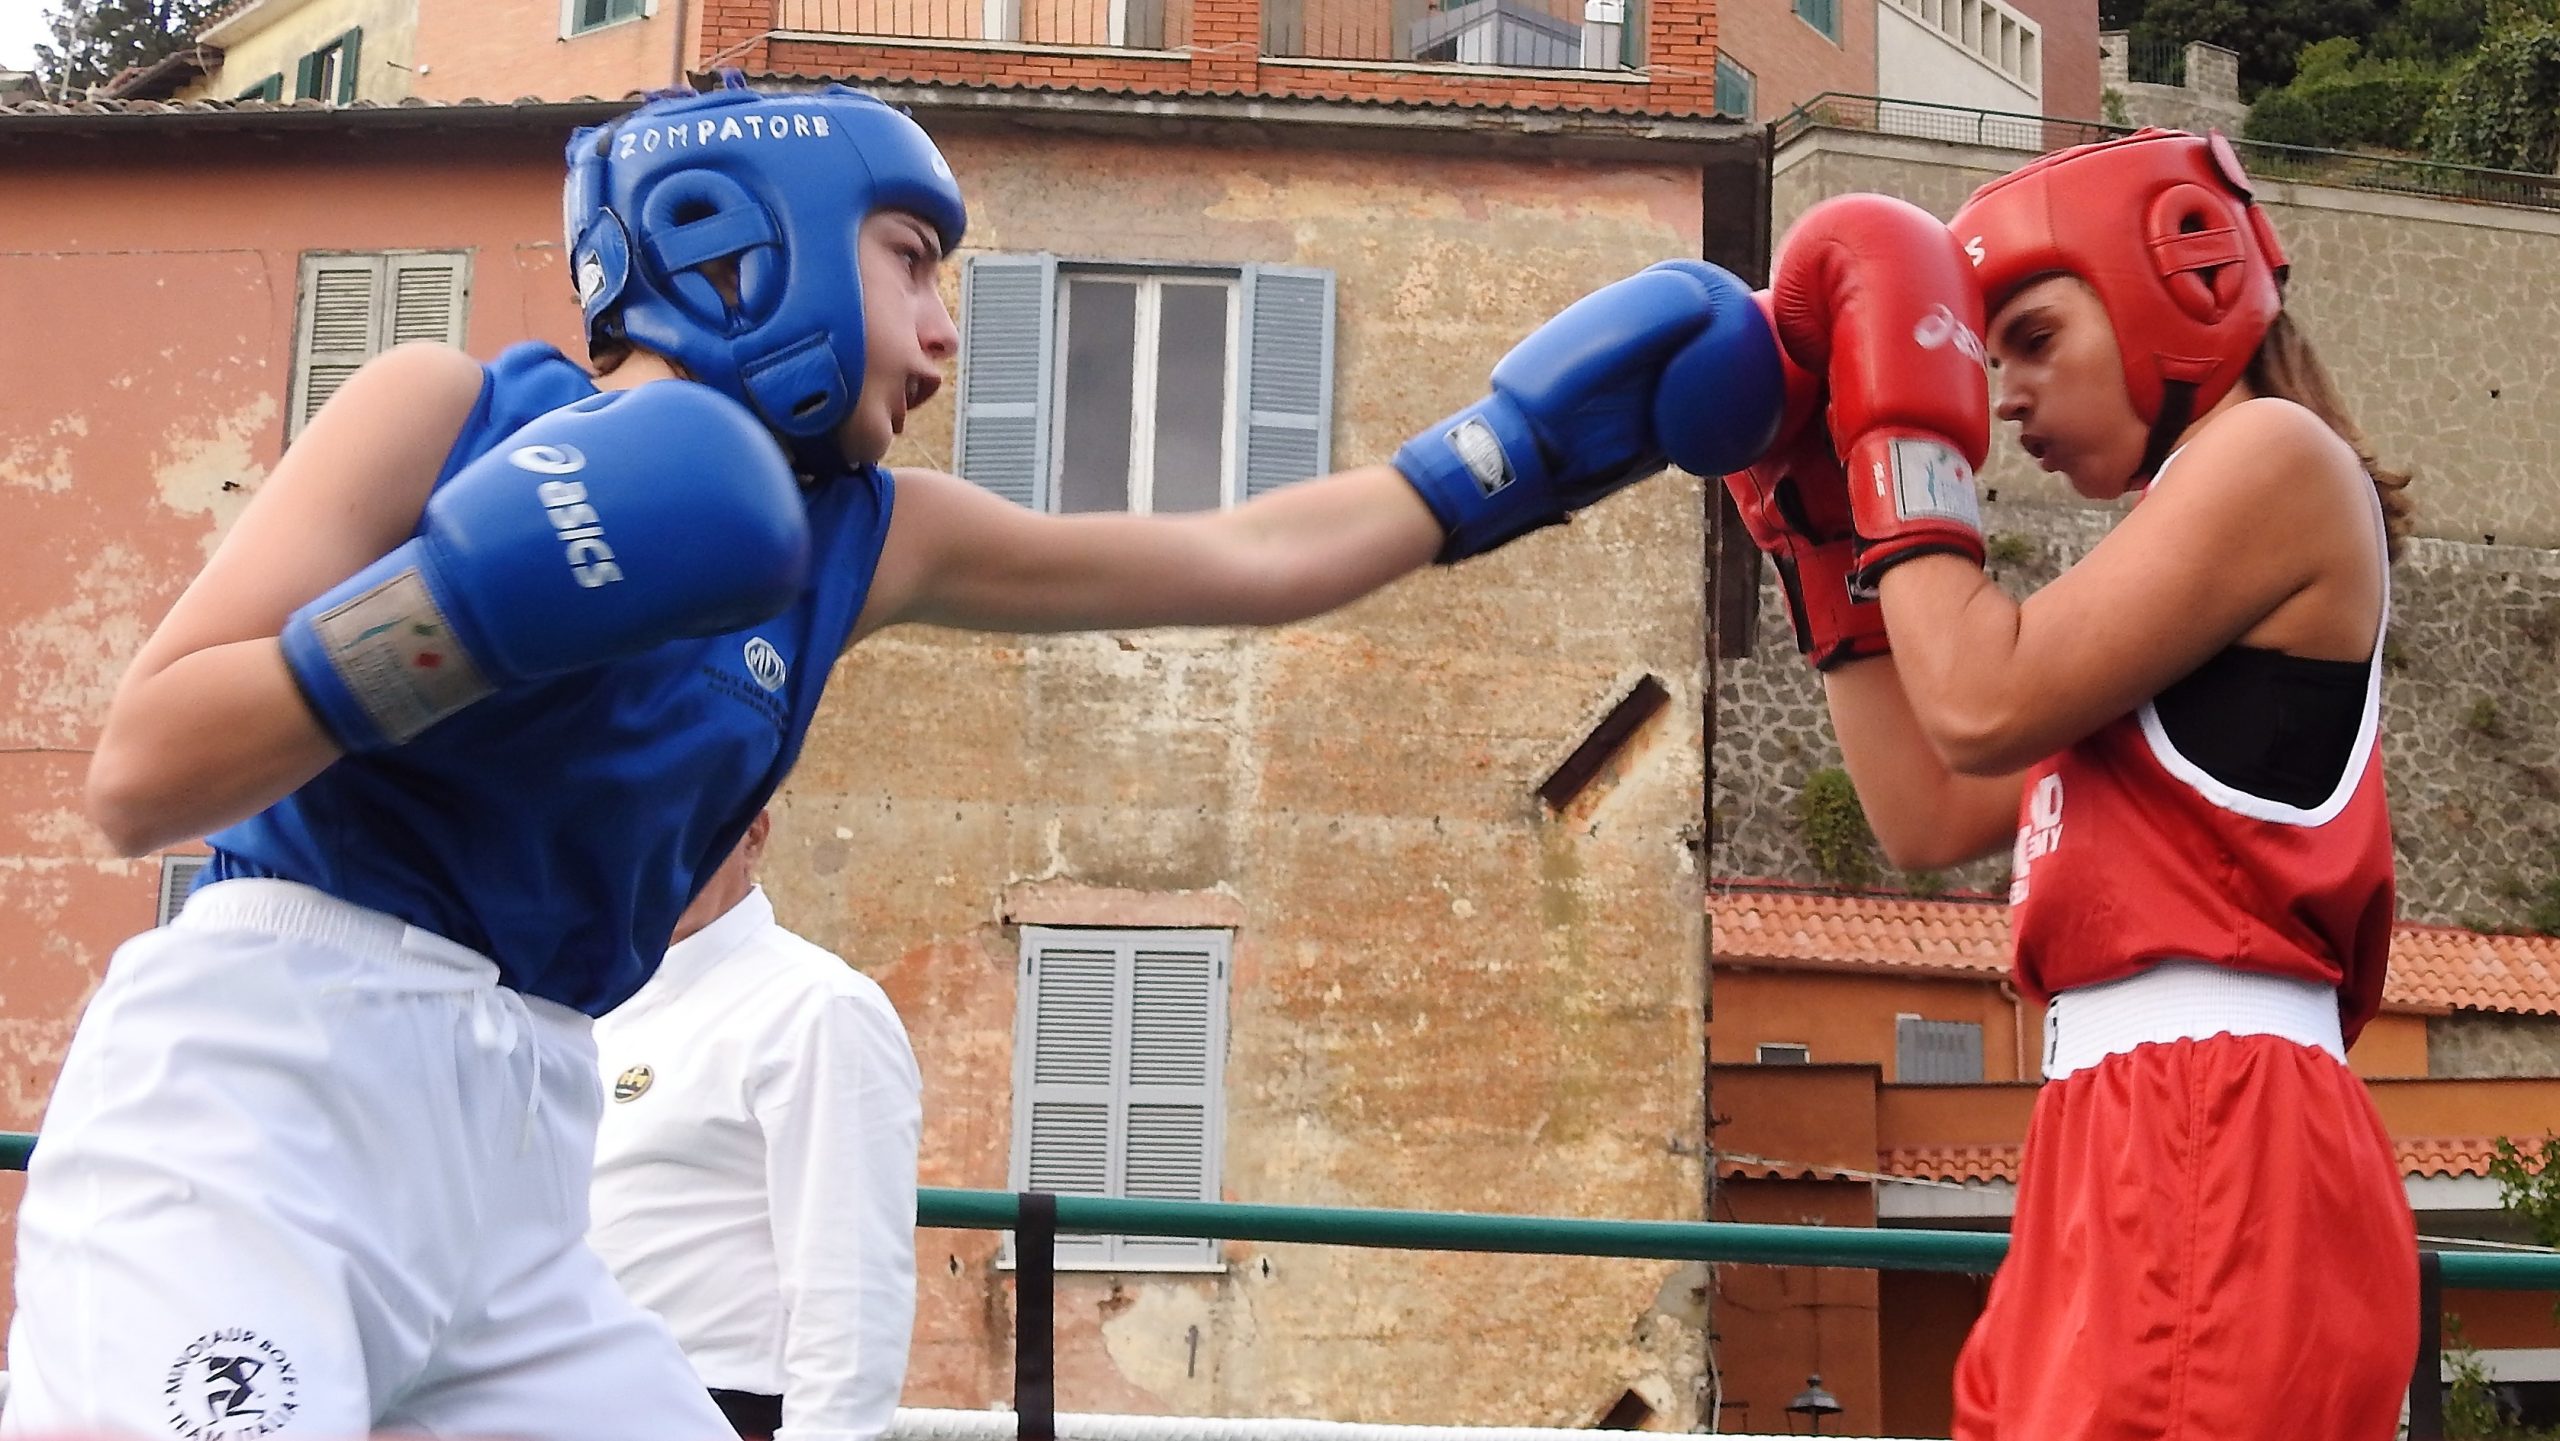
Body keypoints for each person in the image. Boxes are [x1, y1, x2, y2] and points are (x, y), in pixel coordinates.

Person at [8, 76, 1791, 1438]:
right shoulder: (445, 411)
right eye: (917, 261)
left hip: (523, 1150)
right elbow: (141, 773)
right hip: (260, 1098)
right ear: (742, 236)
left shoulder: (871, 536)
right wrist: (466, 610)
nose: (950, 328)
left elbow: (1242, 558)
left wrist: (1514, 452)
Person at [1726, 137, 2418, 1440]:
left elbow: (1983, 702)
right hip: (2100, 1142)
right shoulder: (2148, 620)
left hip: (2220, 1131)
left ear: (2180, 280)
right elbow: (1926, 810)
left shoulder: (2278, 457)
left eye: (2034, 336)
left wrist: (1893, 445)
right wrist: (1822, 531)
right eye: (1986, 360)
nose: (2007, 397)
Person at [588, 809, 921, 1441]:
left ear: (754, 834)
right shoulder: (587, 1002)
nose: (661, 851)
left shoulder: (819, 1008)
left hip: (711, 1409)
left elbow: (851, 1288)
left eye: (693, 820)